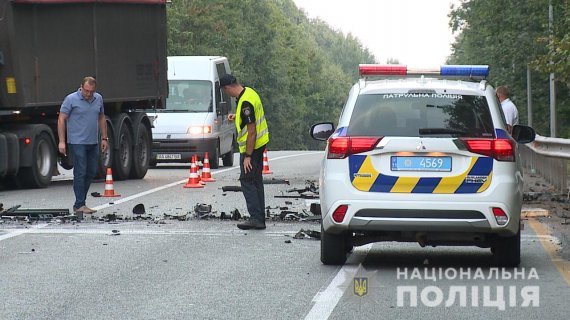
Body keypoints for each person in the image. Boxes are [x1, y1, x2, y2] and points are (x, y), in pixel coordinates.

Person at [220, 74, 270, 230]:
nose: (226, 93)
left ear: (227, 88)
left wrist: (247, 156)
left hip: (252, 147)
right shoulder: (249, 92)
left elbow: (252, 131)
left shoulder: (246, 102)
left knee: (247, 181)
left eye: (224, 90)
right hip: (259, 144)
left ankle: (256, 218)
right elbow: (249, 119)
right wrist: (236, 117)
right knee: (255, 181)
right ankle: (260, 217)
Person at [57, 76, 108, 215]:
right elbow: (61, 119)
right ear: (81, 87)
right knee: (80, 171)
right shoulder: (71, 99)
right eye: (86, 91)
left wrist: (104, 138)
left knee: (91, 171)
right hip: (77, 142)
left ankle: (81, 202)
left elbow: (101, 117)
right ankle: (79, 204)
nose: (88, 94)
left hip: (93, 141)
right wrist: (62, 141)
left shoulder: (98, 98)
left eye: (91, 91)